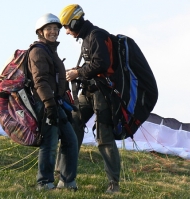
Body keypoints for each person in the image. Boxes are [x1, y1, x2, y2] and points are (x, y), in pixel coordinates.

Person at [58, 5, 121, 193]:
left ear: (75, 22)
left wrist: (78, 72)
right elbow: (94, 63)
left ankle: (114, 185)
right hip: (88, 91)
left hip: (102, 94)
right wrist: (78, 73)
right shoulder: (88, 37)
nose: (67, 32)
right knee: (72, 125)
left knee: (104, 137)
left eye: (67, 27)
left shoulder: (96, 35)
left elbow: (102, 63)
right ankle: (65, 178)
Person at [28, 13, 78, 190]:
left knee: (70, 140)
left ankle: (67, 182)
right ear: (40, 32)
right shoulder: (38, 51)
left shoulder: (51, 51)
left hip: (56, 103)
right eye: (49, 29)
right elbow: (40, 80)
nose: (53, 32)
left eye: (56, 29)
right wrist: (49, 105)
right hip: (45, 103)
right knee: (49, 143)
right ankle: (44, 182)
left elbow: (57, 82)